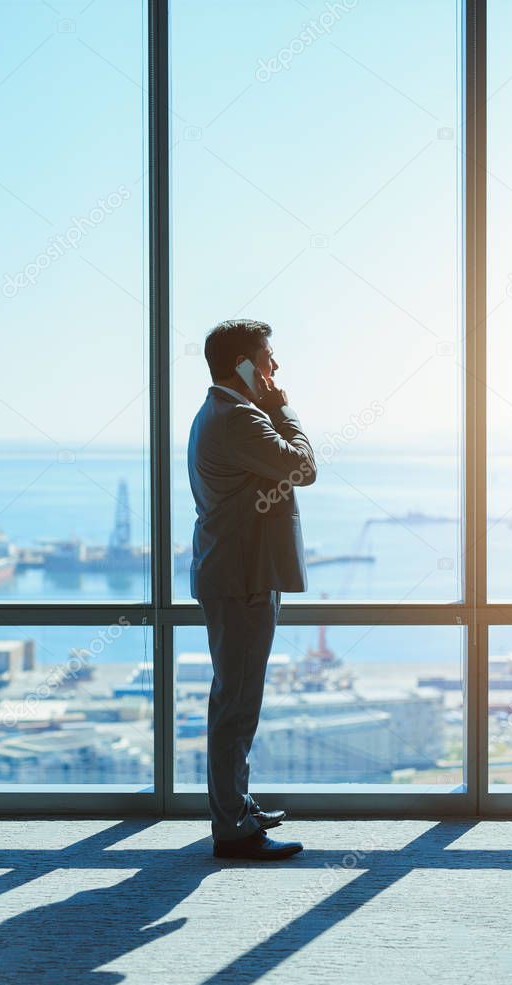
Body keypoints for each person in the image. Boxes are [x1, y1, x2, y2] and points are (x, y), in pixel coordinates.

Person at [187, 319, 317, 860]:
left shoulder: (222, 413)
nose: (274, 368)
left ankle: (235, 808)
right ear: (243, 365)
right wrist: (283, 409)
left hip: (237, 573)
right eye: (267, 357)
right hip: (240, 579)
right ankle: (234, 828)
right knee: (237, 705)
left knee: (236, 700)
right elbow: (303, 466)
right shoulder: (239, 417)